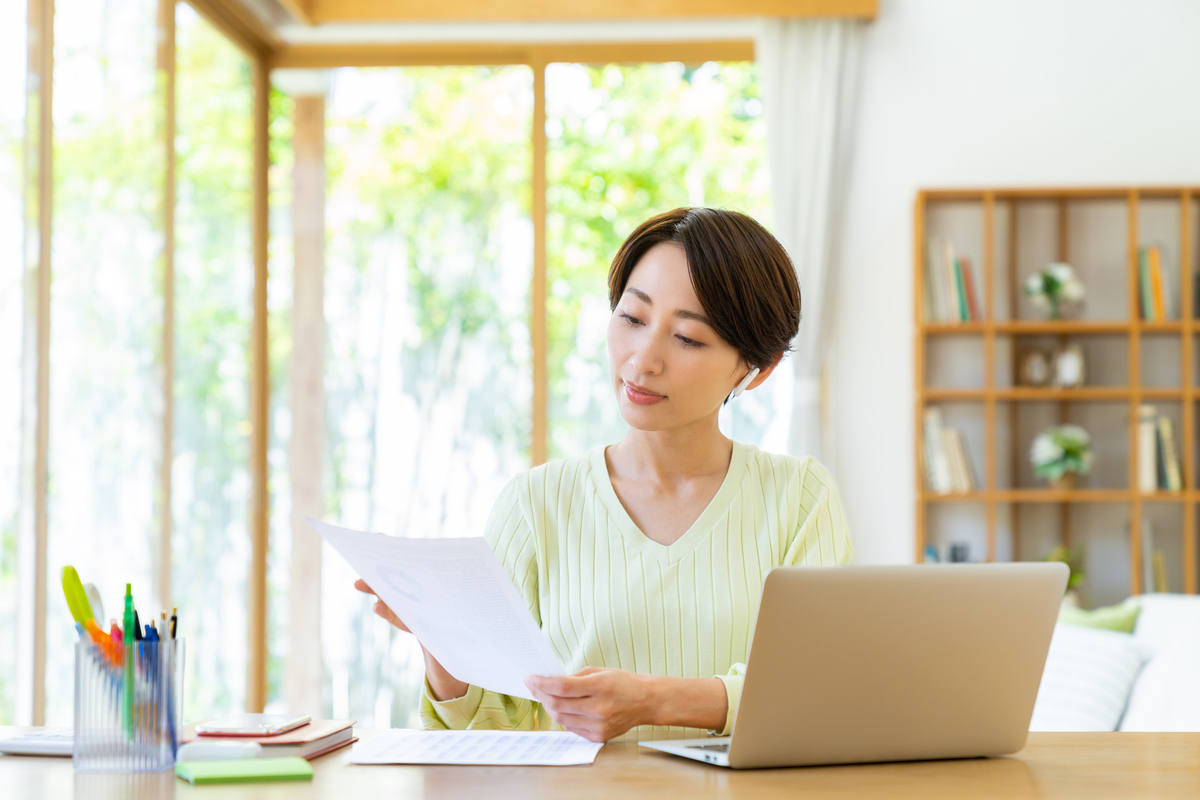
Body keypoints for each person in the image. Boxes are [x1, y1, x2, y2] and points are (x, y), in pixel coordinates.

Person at [355, 207, 853, 742]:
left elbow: (821, 692)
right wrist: (441, 641)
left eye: (687, 338)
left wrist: (653, 701)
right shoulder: (535, 503)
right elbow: (493, 730)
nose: (642, 360)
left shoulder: (801, 498)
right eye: (633, 318)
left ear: (757, 368)